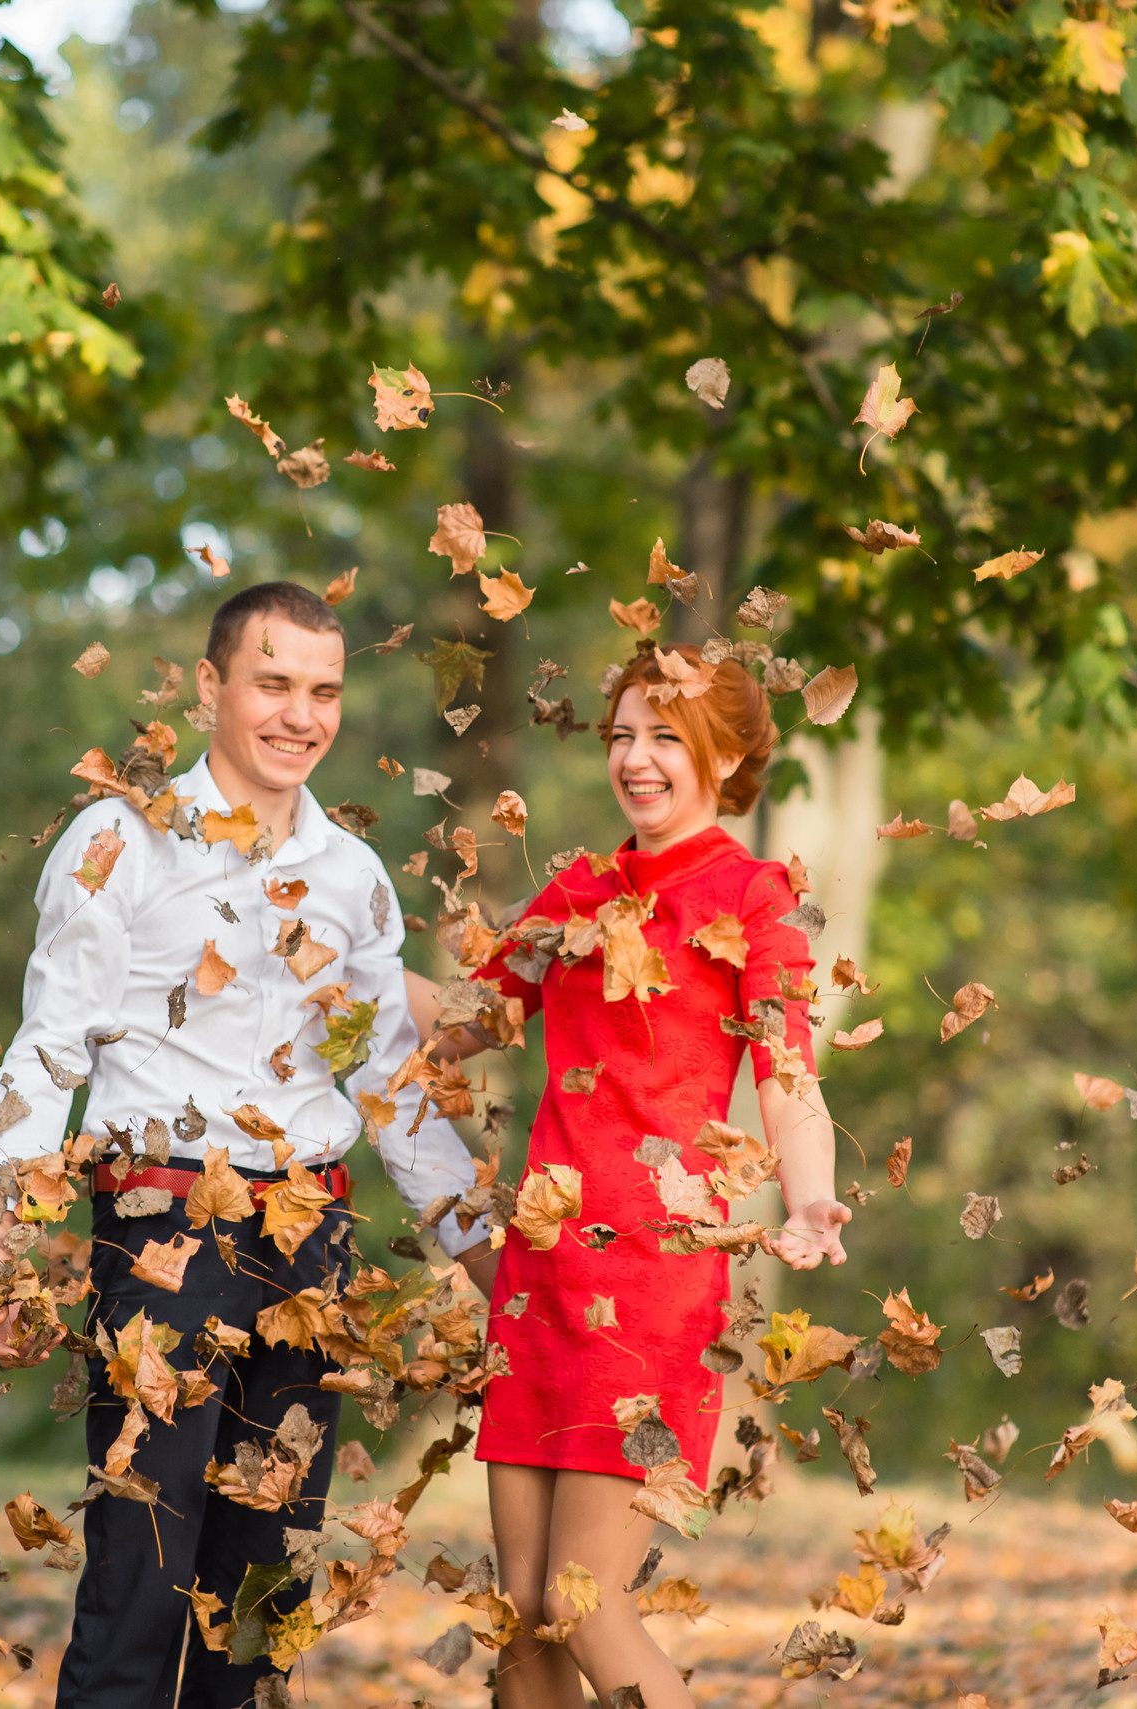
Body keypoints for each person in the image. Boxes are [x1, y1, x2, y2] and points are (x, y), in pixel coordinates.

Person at [0, 581, 497, 1709]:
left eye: (323, 691)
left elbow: (386, 1081)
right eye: (273, 683)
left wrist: (487, 1254)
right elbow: (49, 1046)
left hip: (311, 1241)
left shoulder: (352, 874)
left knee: (261, 1603)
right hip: (164, 1235)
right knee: (140, 1579)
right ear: (210, 686)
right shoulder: (120, 838)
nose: (300, 715)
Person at [423, 640, 853, 1709]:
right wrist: (333, 956)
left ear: (726, 756)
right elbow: (465, 1022)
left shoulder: (752, 895)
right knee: (522, 1610)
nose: (636, 756)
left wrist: (809, 1196)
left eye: (666, 735)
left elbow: (788, 1072)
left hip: (655, 1278)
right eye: (622, 734)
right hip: (540, 1272)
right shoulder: (578, 889)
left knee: (584, 1603)